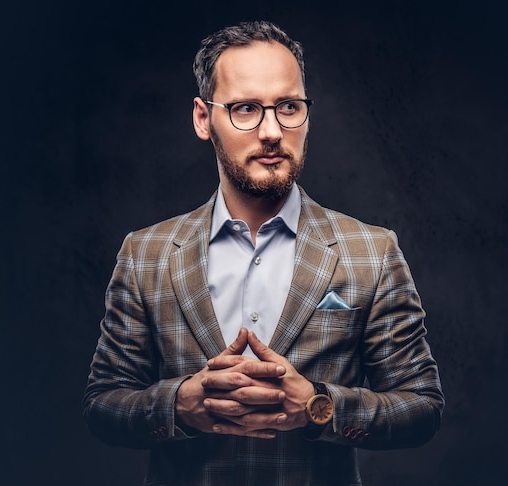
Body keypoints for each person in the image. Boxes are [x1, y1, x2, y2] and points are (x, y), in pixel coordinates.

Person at [83, 20, 444, 485]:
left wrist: (318, 406)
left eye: (289, 107)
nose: (272, 131)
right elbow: (103, 404)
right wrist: (180, 407)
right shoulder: (145, 255)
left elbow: (422, 407)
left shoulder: (370, 253)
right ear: (202, 118)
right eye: (246, 109)